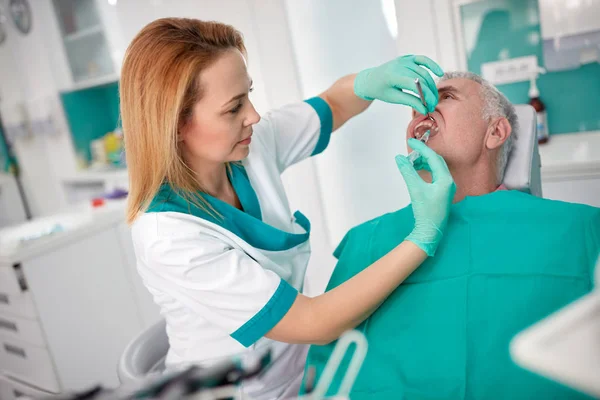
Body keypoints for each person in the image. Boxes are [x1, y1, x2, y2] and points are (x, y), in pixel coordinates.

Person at [121, 18, 455, 399]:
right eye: (233, 108)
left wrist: (371, 81)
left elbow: (332, 105)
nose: (254, 116)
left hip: (298, 371)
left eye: (249, 94)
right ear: (176, 124)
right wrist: (423, 235)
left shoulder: (247, 148)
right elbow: (314, 322)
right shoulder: (170, 236)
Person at [305, 72, 600, 400]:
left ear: (496, 132)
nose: (423, 108)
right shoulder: (366, 240)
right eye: (415, 108)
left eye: (445, 96)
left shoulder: (579, 228)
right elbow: (324, 371)